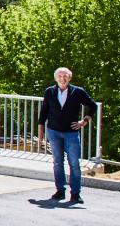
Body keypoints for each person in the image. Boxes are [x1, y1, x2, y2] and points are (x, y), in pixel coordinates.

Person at [37, 67, 98, 204]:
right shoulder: (50, 91)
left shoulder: (77, 92)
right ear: (56, 78)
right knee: (57, 162)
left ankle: (75, 193)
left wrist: (84, 121)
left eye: (65, 76)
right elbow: (44, 111)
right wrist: (41, 130)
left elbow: (93, 105)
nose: (62, 78)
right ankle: (60, 190)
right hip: (53, 131)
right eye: (60, 76)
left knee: (74, 163)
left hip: (71, 133)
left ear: (69, 78)